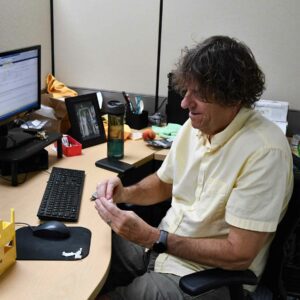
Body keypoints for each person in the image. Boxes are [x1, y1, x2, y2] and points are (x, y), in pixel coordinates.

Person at [94, 35, 293, 300]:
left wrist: (154, 238)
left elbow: (239, 253)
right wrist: (124, 194)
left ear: (232, 98)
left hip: (204, 277)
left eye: (198, 94)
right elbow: (164, 183)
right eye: (187, 90)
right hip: (157, 251)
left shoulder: (265, 152)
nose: (185, 103)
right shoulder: (196, 126)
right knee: (88, 243)